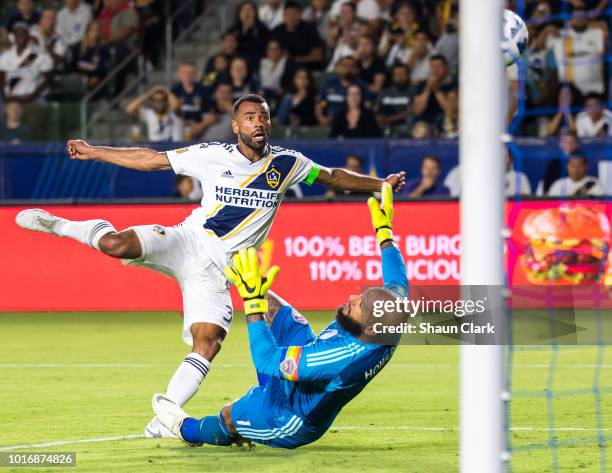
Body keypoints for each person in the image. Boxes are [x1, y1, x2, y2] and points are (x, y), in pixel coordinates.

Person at [16, 94, 405, 440]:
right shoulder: (211, 155)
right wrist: (95, 151)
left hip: (220, 273)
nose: (259, 122)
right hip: (187, 242)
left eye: (264, 116)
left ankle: (163, 418)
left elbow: (333, 177)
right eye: (251, 117)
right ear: (236, 126)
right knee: (117, 244)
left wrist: (379, 185)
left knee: (208, 342)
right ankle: (61, 225)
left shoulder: (287, 164)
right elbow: (152, 160)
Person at [151, 183, 409, 450]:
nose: (352, 298)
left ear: (366, 330)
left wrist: (250, 304)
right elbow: (398, 280)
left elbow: (268, 361)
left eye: (355, 307)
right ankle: (254, 408)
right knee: (270, 302)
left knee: (228, 416)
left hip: (290, 414)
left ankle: (182, 428)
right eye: (359, 296)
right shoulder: (389, 314)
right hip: (306, 364)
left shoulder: (343, 356)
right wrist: (384, 232)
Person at [547, 5, 605, 97]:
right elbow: (541, 47)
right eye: (576, 17)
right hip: (569, 93)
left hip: (594, 91)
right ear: (571, 19)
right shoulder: (559, 34)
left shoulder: (597, 33)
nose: (579, 19)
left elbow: (603, 53)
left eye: (582, 16)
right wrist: (548, 30)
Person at [0, 22, 53, 103]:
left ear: (28, 36)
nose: (20, 37)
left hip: (34, 98)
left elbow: (47, 79)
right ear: (14, 37)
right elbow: (2, 79)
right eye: (18, 34)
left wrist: (31, 97)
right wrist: (5, 98)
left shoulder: (39, 54)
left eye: (23, 34)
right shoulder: (6, 56)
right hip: (11, 99)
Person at [316, 55, 369, 126]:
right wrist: (321, 118)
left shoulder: (361, 86)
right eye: (344, 65)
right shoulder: (329, 85)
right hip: (330, 123)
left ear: (357, 70)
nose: (348, 68)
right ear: (338, 68)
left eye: (352, 66)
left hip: (353, 123)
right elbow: (320, 104)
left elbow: (367, 106)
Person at [272, 1, 324, 68]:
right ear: (283, 16)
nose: (291, 17)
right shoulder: (277, 31)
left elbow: (318, 56)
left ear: (300, 14)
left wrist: (293, 60)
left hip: (307, 69)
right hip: (282, 69)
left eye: (294, 13)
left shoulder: (310, 30)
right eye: (287, 14)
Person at [411, 54, 456, 126]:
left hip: (443, 117)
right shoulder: (423, 85)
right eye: (432, 67)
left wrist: (436, 90)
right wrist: (428, 89)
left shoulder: (452, 84)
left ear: (445, 68)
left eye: (438, 67)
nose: (435, 70)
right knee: (412, 118)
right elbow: (418, 110)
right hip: (426, 117)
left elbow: (449, 110)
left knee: (443, 118)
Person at [69, 20, 110, 93]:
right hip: (77, 77)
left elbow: (102, 69)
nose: (95, 32)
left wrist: (84, 66)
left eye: (97, 30)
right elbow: (73, 64)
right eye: (93, 30)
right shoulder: (78, 46)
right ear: (87, 31)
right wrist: (89, 67)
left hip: (94, 79)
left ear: (100, 32)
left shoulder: (103, 49)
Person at [227, 0, 269, 69]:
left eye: (250, 10)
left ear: (255, 13)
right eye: (243, 10)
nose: (247, 13)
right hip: (235, 64)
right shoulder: (233, 30)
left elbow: (263, 49)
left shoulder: (262, 29)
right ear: (239, 13)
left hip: (255, 64)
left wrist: (249, 31)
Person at [375, 63, 412, 128]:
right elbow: (376, 109)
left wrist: (389, 119)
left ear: (407, 75)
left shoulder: (413, 91)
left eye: (403, 74)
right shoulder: (384, 92)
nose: (400, 77)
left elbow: (412, 111)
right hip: (383, 125)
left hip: (403, 125)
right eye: (397, 74)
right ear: (392, 76)